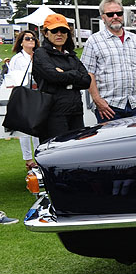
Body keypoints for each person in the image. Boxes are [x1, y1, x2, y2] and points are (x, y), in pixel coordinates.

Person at [81, 0, 136, 122]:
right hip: (109, 108)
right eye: (110, 14)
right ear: (103, 17)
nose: (115, 17)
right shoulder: (94, 41)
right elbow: (88, 73)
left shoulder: (135, 40)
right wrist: (98, 101)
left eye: (118, 13)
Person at [32, 14, 91, 142]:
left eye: (63, 30)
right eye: (54, 30)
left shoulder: (71, 55)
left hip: (75, 111)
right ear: (46, 33)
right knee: (56, 153)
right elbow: (52, 76)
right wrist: (75, 74)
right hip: (53, 113)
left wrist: (64, 75)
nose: (59, 34)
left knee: (78, 150)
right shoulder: (41, 53)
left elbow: (87, 81)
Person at [3, 29, 41, 169]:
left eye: (33, 38)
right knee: (25, 130)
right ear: (21, 42)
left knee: (39, 128)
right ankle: (29, 160)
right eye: (27, 38)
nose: (31, 40)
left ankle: (39, 157)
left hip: (39, 94)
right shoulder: (17, 59)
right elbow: (13, 79)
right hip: (24, 96)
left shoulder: (39, 56)